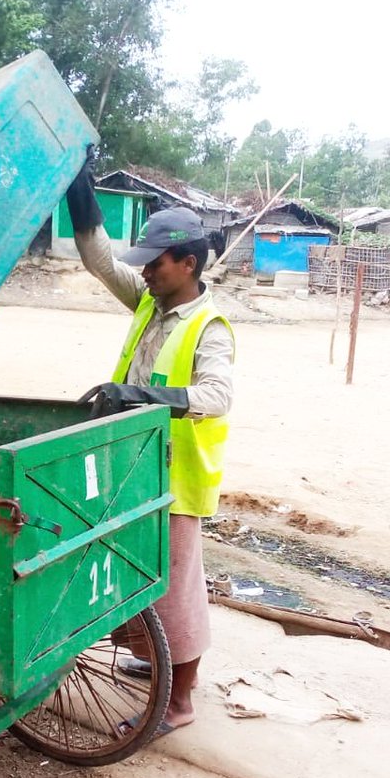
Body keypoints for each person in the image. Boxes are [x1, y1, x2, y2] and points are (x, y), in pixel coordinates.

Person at [67, 152, 234, 736]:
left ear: (187, 264)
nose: (144, 272)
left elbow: (216, 394)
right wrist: (78, 186)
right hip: (138, 470)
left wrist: (144, 399)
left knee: (174, 592)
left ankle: (180, 703)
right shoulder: (149, 302)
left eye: (156, 264)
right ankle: (154, 658)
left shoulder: (208, 326)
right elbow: (99, 260)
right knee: (135, 575)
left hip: (179, 479)